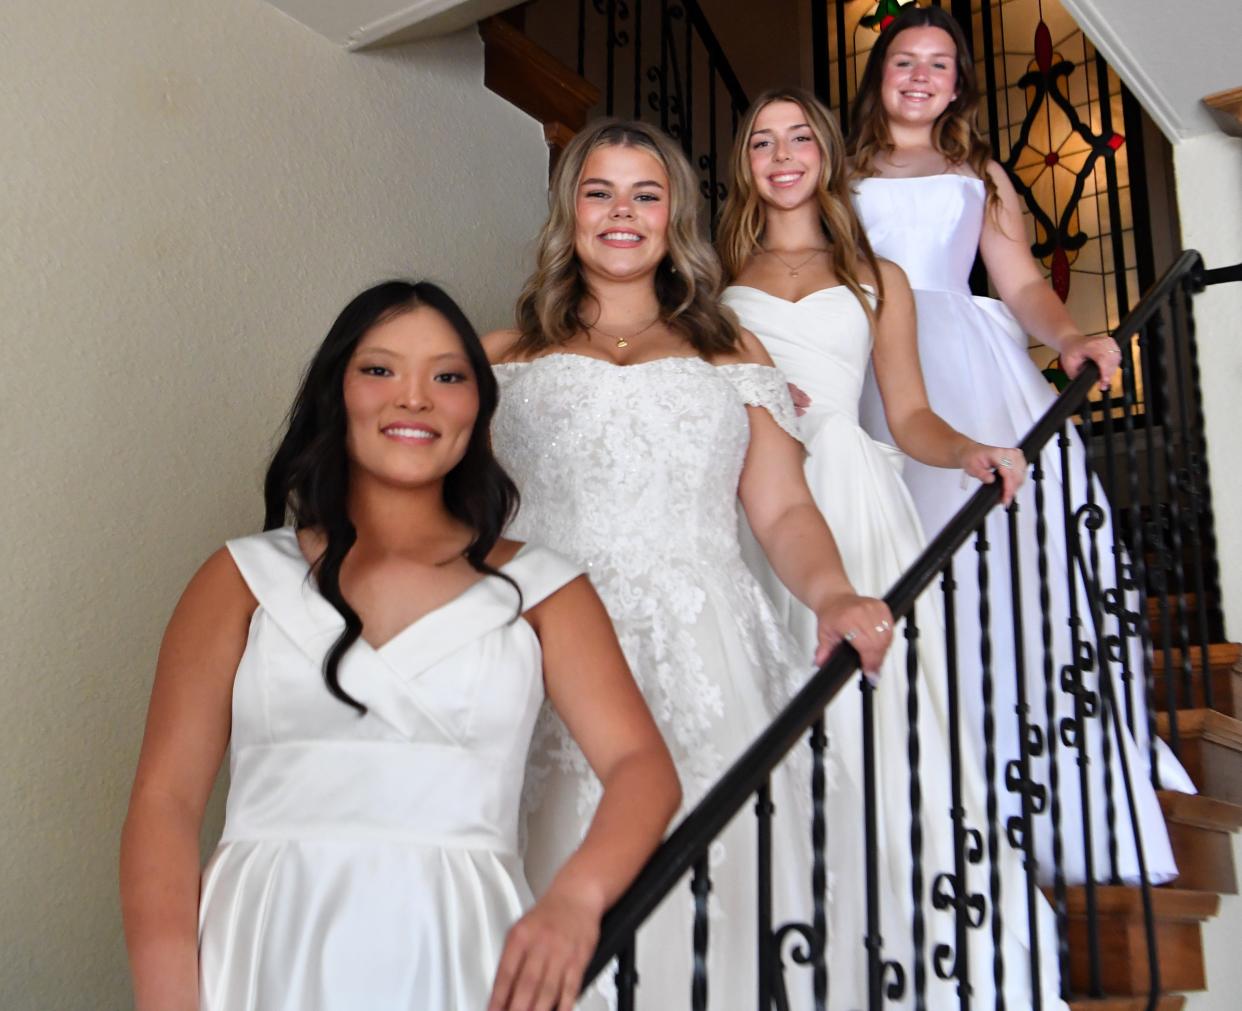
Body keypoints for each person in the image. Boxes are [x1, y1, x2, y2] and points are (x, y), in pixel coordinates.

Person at [119, 280, 680, 1011]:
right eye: (380, 369)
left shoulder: (544, 590)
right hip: (264, 952)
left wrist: (574, 900)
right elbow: (164, 804)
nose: (414, 397)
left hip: (466, 949)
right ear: (336, 392)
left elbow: (644, 768)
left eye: (447, 376)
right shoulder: (242, 578)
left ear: (477, 406)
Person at [483, 119, 895, 1007]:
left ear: (676, 215)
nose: (621, 213)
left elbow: (783, 506)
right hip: (545, 646)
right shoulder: (499, 360)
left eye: (646, 194)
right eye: (599, 192)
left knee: (719, 884)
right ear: (569, 213)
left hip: (707, 646)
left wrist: (833, 594)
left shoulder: (731, 352)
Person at [719, 85, 1072, 1009]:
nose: (783, 154)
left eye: (800, 136)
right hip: (740, 499)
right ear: (744, 162)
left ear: (829, 155)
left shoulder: (879, 275)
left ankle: (905, 922)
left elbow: (908, 413)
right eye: (763, 140)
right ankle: (791, 920)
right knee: (755, 697)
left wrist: (968, 450)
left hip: (850, 499)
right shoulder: (709, 266)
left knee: (867, 708)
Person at [846, 3, 1194, 888]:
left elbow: (1025, 282)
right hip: (864, 359)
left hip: (966, 358)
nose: (920, 76)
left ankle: (1022, 767)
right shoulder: (833, 168)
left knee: (1001, 557)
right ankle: (909, 775)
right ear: (878, 72)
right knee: (889, 546)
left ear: (959, 83)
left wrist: (1071, 337)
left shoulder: (981, 172)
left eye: (939, 64)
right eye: (903, 60)